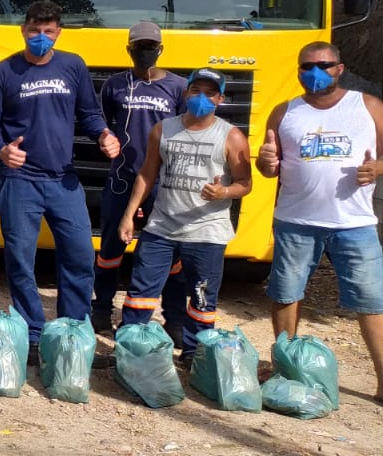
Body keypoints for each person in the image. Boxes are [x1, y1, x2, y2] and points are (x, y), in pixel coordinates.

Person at [0, 0, 120, 358]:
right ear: (23, 30)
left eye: (47, 32)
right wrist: (1, 151)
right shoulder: (2, 71)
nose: (40, 37)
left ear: (58, 32)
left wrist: (103, 134)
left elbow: (88, 113)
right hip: (19, 179)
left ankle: (71, 332)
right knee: (20, 259)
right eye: (34, 31)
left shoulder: (72, 66)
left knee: (78, 254)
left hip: (63, 179)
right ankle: (30, 332)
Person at [257, 42, 383, 402]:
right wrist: (265, 163)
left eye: (324, 65)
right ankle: (286, 369)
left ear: (339, 68)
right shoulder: (284, 113)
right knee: (285, 294)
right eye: (306, 66)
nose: (314, 72)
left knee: (372, 301)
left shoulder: (368, 107)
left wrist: (377, 168)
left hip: (354, 224)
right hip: (295, 222)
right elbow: (269, 169)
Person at [116, 69, 250, 362]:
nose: (202, 97)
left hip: (207, 232)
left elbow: (245, 183)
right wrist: (129, 216)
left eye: (210, 93)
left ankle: (194, 354)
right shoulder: (163, 129)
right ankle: (131, 350)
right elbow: (147, 174)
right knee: (140, 293)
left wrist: (224, 193)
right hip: (161, 228)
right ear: (186, 93)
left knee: (202, 299)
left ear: (220, 98)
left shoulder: (232, 136)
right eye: (196, 90)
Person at [92, 21, 186, 333]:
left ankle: (173, 317)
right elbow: (101, 123)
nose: (144, 52)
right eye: (139, 47)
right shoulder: (115, 85)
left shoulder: (178, 87)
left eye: (150, 47)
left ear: (160, 49)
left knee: (168, 252)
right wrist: (104, 139)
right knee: (109, 249)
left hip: (164, 183)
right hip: (122, 178)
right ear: (129, 49)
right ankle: (102, 309)